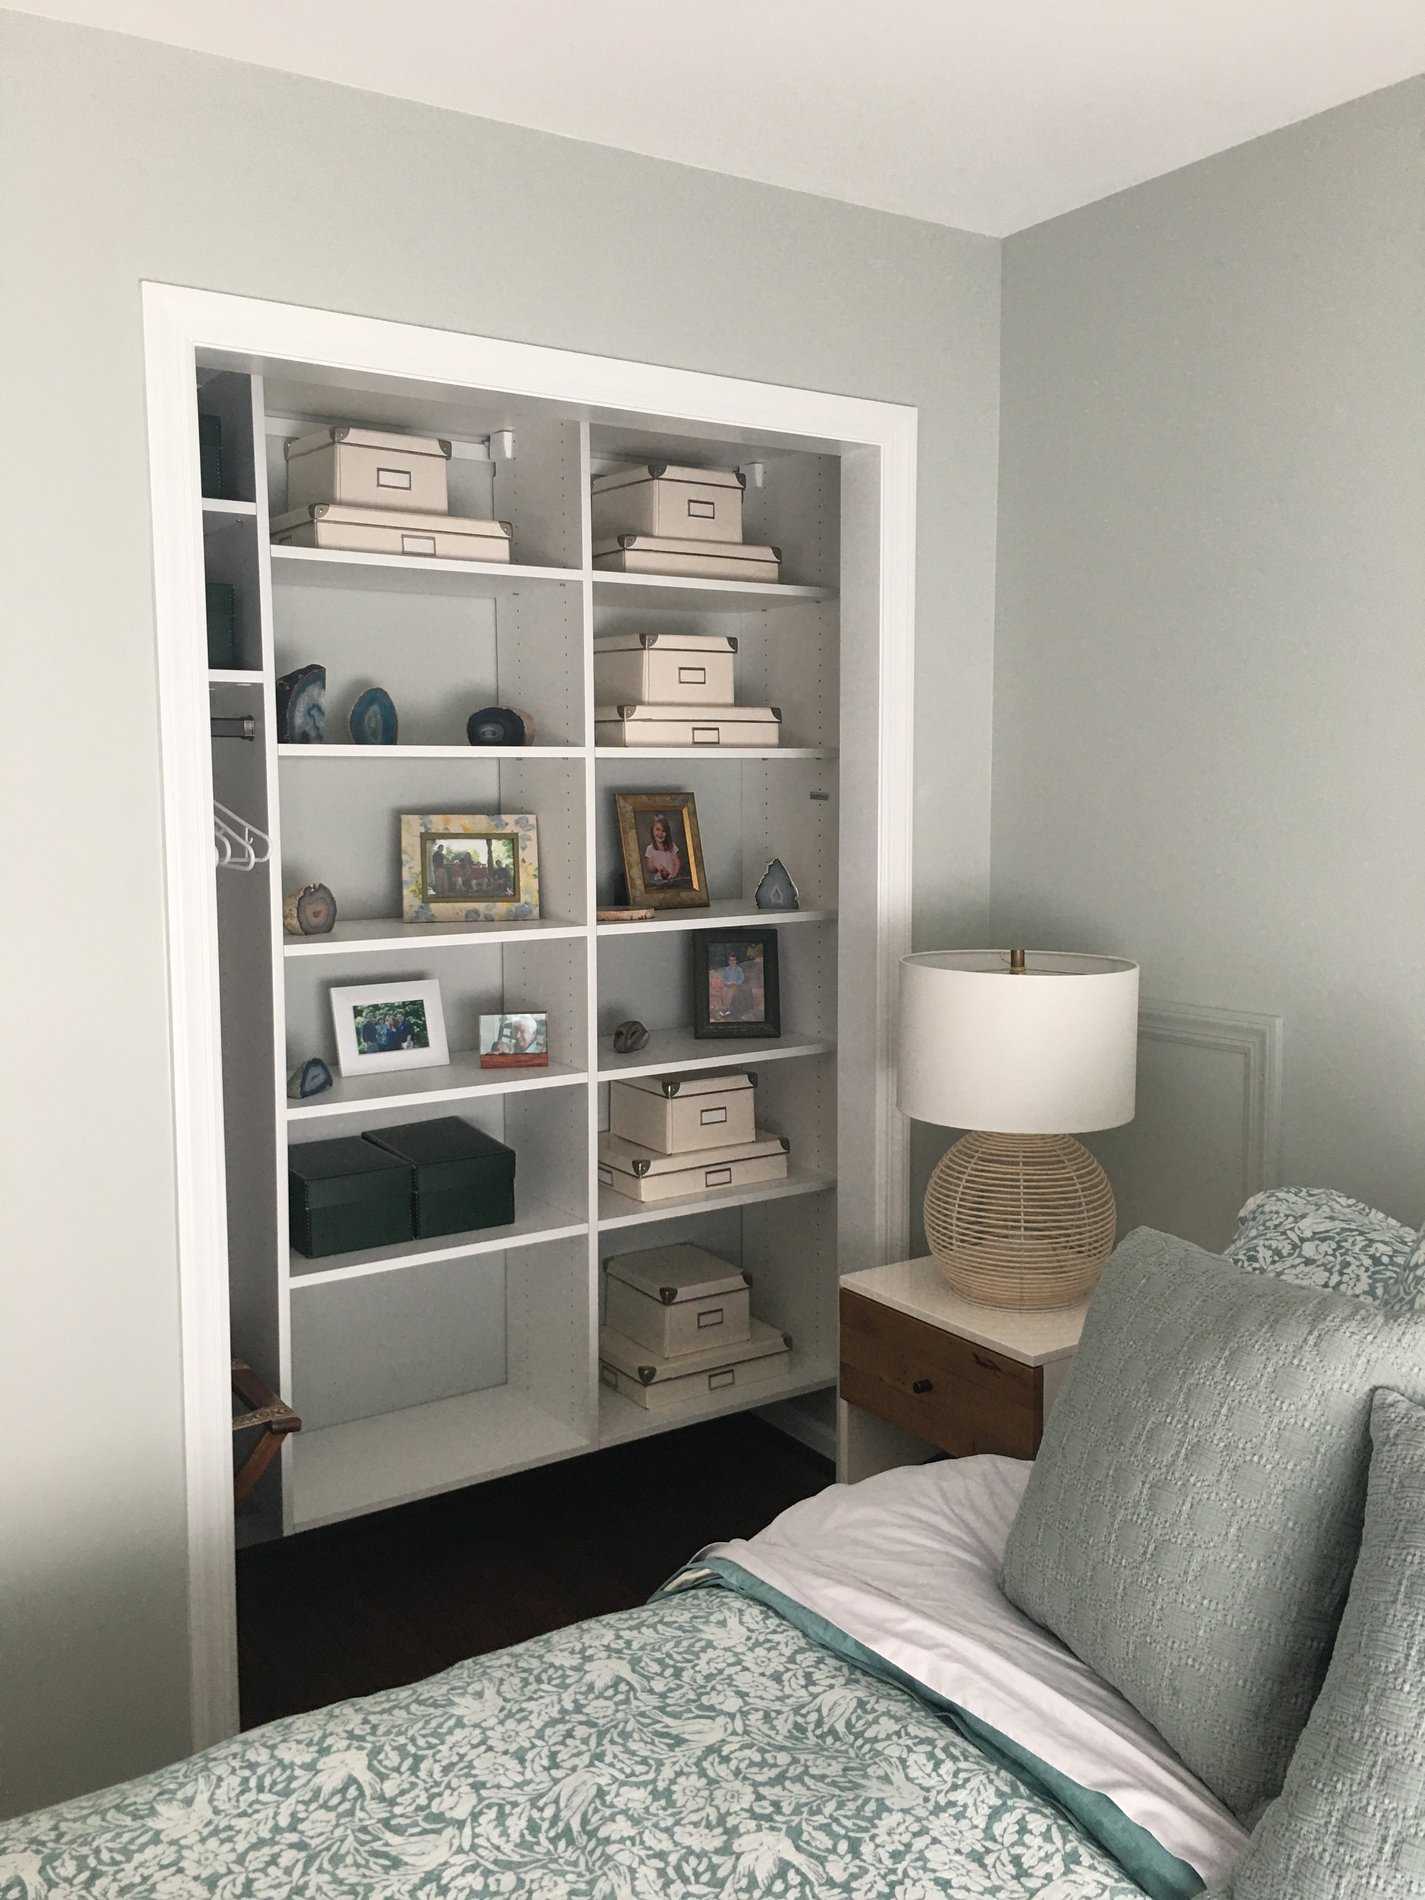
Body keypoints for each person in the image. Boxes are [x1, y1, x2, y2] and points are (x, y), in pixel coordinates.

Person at [643, 814, 682, 885]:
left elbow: (677, 863)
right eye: (658, 829)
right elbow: (649, 866)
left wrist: (674, 874)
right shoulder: (650, 848)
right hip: (659, 881)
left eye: (663, 831)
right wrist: (656, 867)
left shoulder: (672, 846)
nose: (660, 833)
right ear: (652, 830)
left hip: (672, 879)